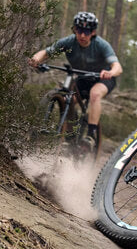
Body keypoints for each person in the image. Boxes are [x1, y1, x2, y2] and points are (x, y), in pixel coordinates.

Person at [29, 11, 123, 147]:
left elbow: (117, 67)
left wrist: (110, 72)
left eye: (86, 31)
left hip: (102, 78)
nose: (82, 35)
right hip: (83, 78)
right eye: (79, 30)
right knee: (69, 99)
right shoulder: (69, 42)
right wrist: (36, 59)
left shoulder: (101, 45)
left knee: (95, 95)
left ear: (93, 32)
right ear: (74, 30)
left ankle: (90, 136)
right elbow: (46, 52)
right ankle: (71, 134)